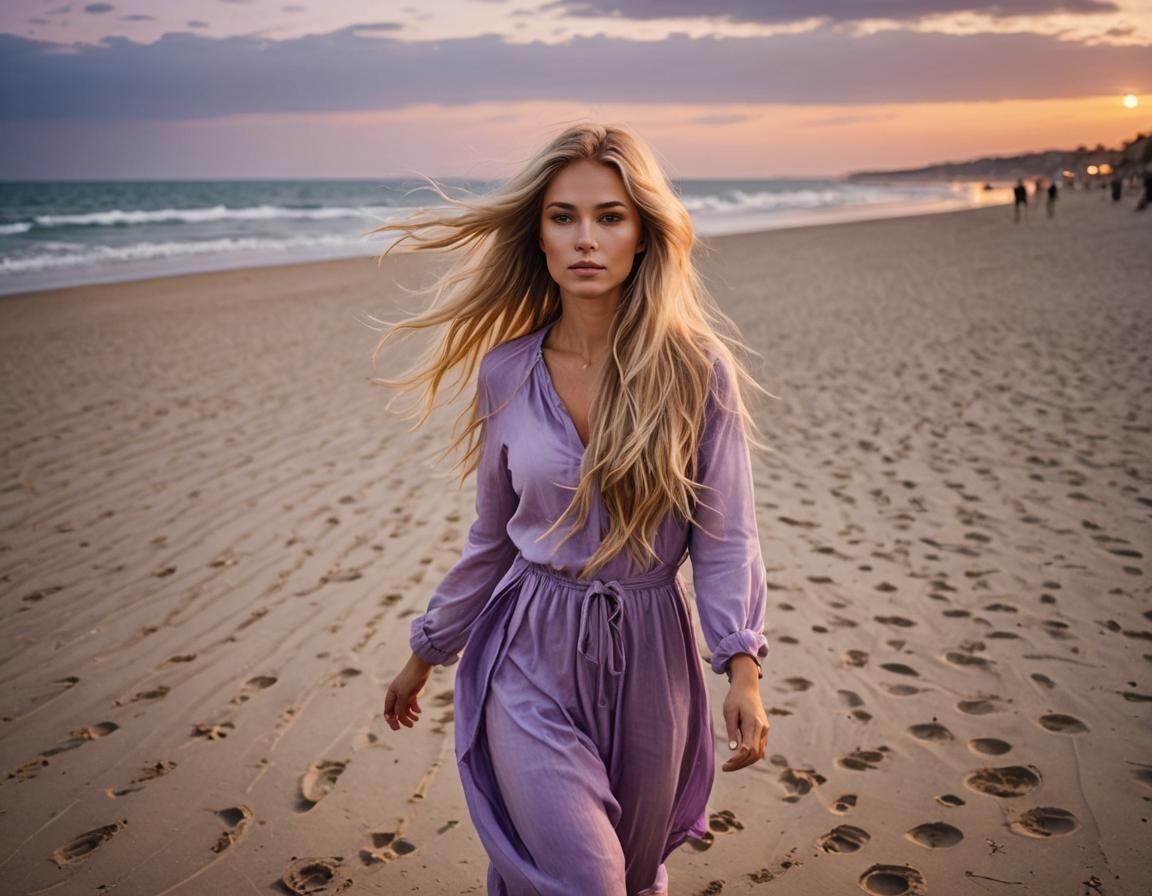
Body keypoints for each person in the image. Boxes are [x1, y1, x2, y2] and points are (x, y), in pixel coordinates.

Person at [372, 123, 771, 895]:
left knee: (633, 872)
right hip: (529, 649)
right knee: (586, 880)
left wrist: (742, 667)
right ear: (541, 235)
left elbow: (726, 537)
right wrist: (426, 651)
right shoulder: (506, 374)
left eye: (610, 216)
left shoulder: (697, 371)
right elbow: (491, 541)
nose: (586, 238)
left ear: (644, 236)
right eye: (564, 217)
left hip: (653, 658)